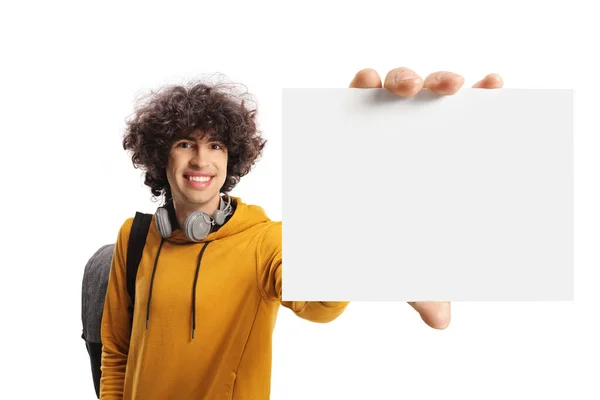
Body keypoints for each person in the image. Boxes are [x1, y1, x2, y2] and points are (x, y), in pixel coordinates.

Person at [99, 67, 504, 399]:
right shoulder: (134, 236)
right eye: (186, 143)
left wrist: (360, 227)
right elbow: (116, 351)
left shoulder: (265, 241)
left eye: (217, 146)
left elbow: (321, 305)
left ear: (232, 157)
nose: (201, 158)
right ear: (160, 154)